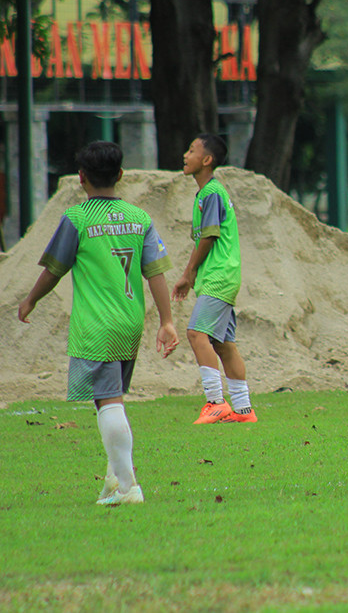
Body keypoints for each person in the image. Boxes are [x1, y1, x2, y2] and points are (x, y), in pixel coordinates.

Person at [18, 141, 179, 505]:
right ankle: (112, 479)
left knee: (108, 402)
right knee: (110, 400)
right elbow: (155, 273)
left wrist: (30, 300)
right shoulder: (140, 218)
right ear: (120, 175)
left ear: (81, 178)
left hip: (97, 325)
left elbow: (54, 270)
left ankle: (128, 487)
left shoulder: (77, 219)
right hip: (130, 321)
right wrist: (166, 321)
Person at [172, 134, 256, 424]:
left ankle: (215, 402)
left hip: (218, 276)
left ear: (207, 160)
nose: (185, 154)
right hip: (223, 276)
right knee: (223, 344)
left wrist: (188, 273)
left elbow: (209, 235)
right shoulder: (210, 192)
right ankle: (244, 411)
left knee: (196, 334)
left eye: (192, 150)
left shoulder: (210, 193)